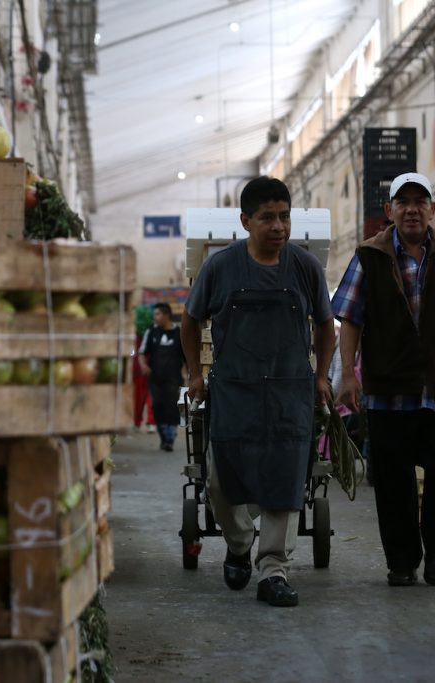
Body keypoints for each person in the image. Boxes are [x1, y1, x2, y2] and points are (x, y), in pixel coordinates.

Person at [333, 172, 435, 588]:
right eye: (402, 202)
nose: (412, 209)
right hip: (389, 390)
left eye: (419, 201)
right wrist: (347, 374)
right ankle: (402, 560)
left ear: (432, 208)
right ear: (389, 211)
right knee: (392, 480)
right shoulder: (369, 255)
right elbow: (350, 316)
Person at [182, 176, 334, 607]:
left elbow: (326, 325)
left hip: (290, 393)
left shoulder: (305, 267)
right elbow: (190, 321)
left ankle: (274, 571)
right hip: (235, 393)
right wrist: (196, 373)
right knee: (220, 478)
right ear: (246, 220)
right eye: (268, 218)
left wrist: (321, 376)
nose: (279, 226)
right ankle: (237, 544)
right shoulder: (221, 267)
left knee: (285, 478)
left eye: (284, 217)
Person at [138, 303, 184, 451]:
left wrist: (191, 373)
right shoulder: (151, 332)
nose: (155, 317)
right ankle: (163, 436)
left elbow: (188, 356)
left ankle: (170, 437)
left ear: (166, 315)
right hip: (155, 379)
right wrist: (144, 366)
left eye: (157, 314)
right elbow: (141, 352)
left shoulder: (180, 333)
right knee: (157, 406)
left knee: (172, 408)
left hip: (174, 378)